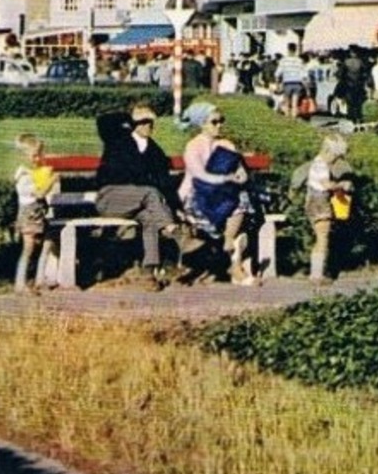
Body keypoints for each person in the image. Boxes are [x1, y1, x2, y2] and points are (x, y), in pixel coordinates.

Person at [94, 104, 186, 291]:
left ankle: (148, 272)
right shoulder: (118, 140)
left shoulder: (155, 152)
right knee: (150, 192)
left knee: (150, 219)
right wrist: (131, 117)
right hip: (111, 197)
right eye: (143, 122)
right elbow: (103, 120)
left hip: (140, 201)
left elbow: (165, 184)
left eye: (151, 122)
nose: (148, 126)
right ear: (133, 123)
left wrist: (178, 209)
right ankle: (169, 228)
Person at [179, 106, 259, 285]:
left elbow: (239, 169)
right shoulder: (193, 146)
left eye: (221, 121)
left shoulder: (227, 144)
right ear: (202, 124)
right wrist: (226, 178)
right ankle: (234, 263)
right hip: (197, 196)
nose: (219, 126)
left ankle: (229, 242)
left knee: (241, 198)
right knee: (237, 204)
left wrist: (240, 175)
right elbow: (199, 176)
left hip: (223, 196)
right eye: (214, 122)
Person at [292, 133, 356, 282]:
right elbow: (326, 185)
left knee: (322, 238)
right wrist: (342, 185)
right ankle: (316, 274)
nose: (336, 160)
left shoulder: (319, 164)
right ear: (328, 151)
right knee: (322, 238)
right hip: (319, 203)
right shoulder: (320, 165)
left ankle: (317, 273)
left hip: (316, 202)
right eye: (335, 156)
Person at [12, 133, 59, 294]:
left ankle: (40, 278)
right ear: (23, 156)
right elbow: (39, 194)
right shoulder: (24, 176)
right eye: (34, 155)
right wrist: (52, 180)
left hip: (38, 213)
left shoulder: (33, 172)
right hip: (30, 214)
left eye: (40, 154)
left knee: (48, 241)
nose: (38, 158)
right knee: (28, 248)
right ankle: (20, 283)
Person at [337, 46, 371, 122]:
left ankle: (351, 118)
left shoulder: (346, 62)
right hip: (359, 85)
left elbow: (340, 74)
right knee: (359, 103)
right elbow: (365, 73)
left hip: (348, 84)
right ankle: (359, 117)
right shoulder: (361, 62)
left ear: (351, 53)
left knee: (350, 103)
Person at [276, 43, 308, 117]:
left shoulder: (283, 60)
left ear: (288, 49)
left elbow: (277, 74)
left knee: (286, 103)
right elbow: (304, 75)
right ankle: (294, 119)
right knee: (295, 104)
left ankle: (287, 118)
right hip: (297, 83)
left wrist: (277, 85)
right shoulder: (299, 60)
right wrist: (306, 87)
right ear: (296, 49)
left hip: (287, 83)